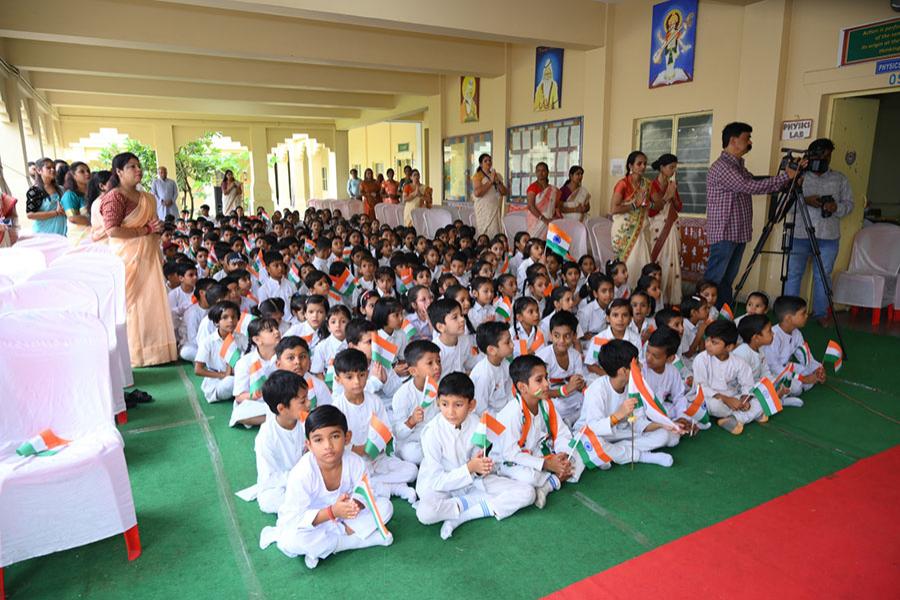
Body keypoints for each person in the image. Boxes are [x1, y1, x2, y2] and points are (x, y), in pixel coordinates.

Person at [259, 405, 394, 569]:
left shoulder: (355, 462)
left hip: (345, 519)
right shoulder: (302, 473)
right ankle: (358, 542)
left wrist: (353, 505)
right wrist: (332, 512)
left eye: (335, 436)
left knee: (385, 507)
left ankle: (324, 548)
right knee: (290, 540)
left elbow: (365, 491)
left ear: (347, 437)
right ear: (308, 445)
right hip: (316, 522)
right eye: (318, 440)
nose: (328, 445)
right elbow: (294, 518)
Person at [415, 372, 536, 540]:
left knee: (527, 492)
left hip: (473, 482)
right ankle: (478, 501)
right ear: (437, 403)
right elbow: (436, 480)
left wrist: (481, 467)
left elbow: (481, 460)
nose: (450, 411)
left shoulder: (476, 422)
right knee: (425, 513)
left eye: (458, 405)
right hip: (440, 488)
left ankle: (464, 515)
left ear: (471, 405)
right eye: (444, 404)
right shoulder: (431, 432)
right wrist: (470, 468)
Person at [704, 122, 800, 308]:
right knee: (713, 280)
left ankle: (724, 315)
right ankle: (701, 316)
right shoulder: (723, 167)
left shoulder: (738, 166)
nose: (750, 142)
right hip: (724, 233)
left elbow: (755, 181)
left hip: (736, 232)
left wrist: (786, 177)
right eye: (746, 138)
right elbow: (748, 186)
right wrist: (785, 177)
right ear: (733, 140)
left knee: (726, 280)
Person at [99, 152, 177, 367]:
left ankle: (157, 351)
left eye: (139, 166)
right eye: (132, 166)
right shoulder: (115, 197)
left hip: (149, 256)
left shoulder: (148, 198)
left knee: (151, 302)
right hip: (128, 258)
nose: (138, 170)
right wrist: (144, 230)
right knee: (131, 305)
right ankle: (133, 353)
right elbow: (112, 230)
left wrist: (156, 228)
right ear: (119, 172)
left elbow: (153, 225)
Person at [493, 355, 581, 509]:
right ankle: (553, 480)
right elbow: (510, 454)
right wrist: (546, 464)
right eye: (539, 380)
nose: (547, 384)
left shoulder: (546, 404)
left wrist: (563, 454)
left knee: (577, 456)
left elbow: (561, 433)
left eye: (546, 378)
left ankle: (546, 487)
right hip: (508, 461)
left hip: (537, 454)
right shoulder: (512, 413)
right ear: (522, 387)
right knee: (530, 477)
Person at [330, 348, 418, 502]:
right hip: (354, 460)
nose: (357, 381)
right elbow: (338, 443)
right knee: (348, 482)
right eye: (349, 377)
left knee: (412, 470)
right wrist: (362, 450)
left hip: (378, 456)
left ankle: (378, 485)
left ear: (368, 373)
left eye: (362, 375)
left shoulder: (374, 400)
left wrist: (378, 448)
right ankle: (394, 487)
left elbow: (386, 431)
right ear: (338, 380)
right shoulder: (337, 407)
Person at [575, 340, 676, 467]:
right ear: (623, 371)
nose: (641, 366)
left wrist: (662, 424)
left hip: (620, 434)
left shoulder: (633, 387)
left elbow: (638, 423)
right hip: (593, 435)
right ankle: (641, 456)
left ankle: (613, 453)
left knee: (666, 435)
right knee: (595, 444)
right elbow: (593, 428)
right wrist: (618, 415)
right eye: (637, 363)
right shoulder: (597, 389)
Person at [785, 138, 853, 325]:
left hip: (828, 236)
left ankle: (821, 314)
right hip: (800, 234)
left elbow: (849, 205)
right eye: (821, 155)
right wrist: (805, 200)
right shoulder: (799, 176)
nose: (825, 159)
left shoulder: (840, 179)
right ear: (811, 154)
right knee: (793, 274)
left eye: (828, 155)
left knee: (823, 275)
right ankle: (789, 314)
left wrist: (835, 207)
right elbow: (786, 207)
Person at [691, 320, 763, 435]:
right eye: (707, 339)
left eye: (714, 342)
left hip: (734, 398)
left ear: (729, 347)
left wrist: (744, 401)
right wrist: (726, 400)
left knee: (760, 400)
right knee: (715, 405)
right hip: (711, 398)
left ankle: (734, 418)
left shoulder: (738, 363)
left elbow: (748, 385)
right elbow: (701, 387)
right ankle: (743, 416)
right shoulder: (701, 359)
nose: (708, 344)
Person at [253, 370, 309, 514]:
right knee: (270, 501)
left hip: (308, 477)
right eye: (303, 401)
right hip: (280, 486)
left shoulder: (306, 422)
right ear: (282, 409)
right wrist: (299, 477)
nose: (308, 403)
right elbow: (270, 477)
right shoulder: (266, 436)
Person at [389, 339, 443, 464]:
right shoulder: (402, 395)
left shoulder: (441, 387)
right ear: (413, 371)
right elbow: (398, 433)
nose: (437, 367)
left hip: (435, 435)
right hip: (412, 441)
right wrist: (412, 421)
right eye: (430, 363)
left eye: (438, 361)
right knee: (413, 454)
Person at [766, 295, 825, 398]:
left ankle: (786, 392)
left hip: (786, 367)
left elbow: (806, 357)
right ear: (788, 318)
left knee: (807, 372)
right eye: (803, 313)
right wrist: (804, 379)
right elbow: (773, 367)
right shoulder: (774, 336)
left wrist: (818, 370)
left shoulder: (796, 333)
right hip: (771, 372)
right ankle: (780, 398)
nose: (807, 316)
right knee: (797, 387)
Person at [610, 151, 652, 289]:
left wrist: (649, 204)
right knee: (630, 263)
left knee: (642, 262)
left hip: (640, 230)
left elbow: (658, 203)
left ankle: (640, 294)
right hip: (624, 231)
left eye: (645, 164)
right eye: (639, 163)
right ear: (630, 166)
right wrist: (635, 205)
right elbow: (614, 209)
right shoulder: (622, 184)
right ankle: (626, 293)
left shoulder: (647, 184)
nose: (643, 167)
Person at [648, 154, 683, 305]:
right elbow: (653, 209)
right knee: (658, 261)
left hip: (671, 226)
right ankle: (655, 300)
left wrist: (673, 196)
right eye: (671, 167)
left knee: (672, 262)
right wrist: (668, 195)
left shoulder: (672, 185)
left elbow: (679, 207)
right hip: (656, 227)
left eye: (675, 167)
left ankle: (670, 299)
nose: (673, 171)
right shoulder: (651, 185)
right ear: (662, 168)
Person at [26, 157, 67, 236]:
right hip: (43, 234)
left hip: (62, 233)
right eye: (48, 167)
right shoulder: (34, 191)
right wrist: (56, 213)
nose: (53, 170)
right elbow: (30, 215)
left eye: (54, 167)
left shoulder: (61, 189)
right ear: (39, 170)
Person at [471, 153, 507, 238]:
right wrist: (490, 181)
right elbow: (477, 193)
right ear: (481, 164)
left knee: (496, 232)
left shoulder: (497, 175)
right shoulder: (477, 176)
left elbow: (504, 192)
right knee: (484, 234)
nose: (488, 162)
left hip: (494, 208)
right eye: (485, 161)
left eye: (490, 160)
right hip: (484, 210)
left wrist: (497, 181)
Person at [525, 161, 558, 239]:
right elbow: (530, 206)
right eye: (538, 171)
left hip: (550, 220)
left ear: (547, 172)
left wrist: (553, 218)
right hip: (536, 220)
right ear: (536, 173)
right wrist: (543, 219)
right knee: (535, 241)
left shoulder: (553, 190)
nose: (541, 173)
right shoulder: (533, 187)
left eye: (543, 170)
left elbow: (555, 206)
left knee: (548, 243)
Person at [60, 161, 91, 242]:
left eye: (88, 171)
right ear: (74, 175)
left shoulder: (92, 192)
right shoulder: (70, 195)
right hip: (80, 237)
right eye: (82, 171)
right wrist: (95, 221)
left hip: (95, 232)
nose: (87, 174)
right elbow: (73, 218)